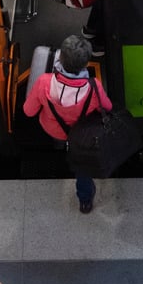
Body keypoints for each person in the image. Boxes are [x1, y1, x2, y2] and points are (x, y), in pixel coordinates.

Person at [22, 34, 113, 213]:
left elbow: (28, 111)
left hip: (53, 130)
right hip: (82, 137)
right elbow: (107, 107)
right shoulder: (93, 87)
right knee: (82, 167)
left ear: (61, 59)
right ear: (86, 63)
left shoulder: (44, 83)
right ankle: (85, 201)